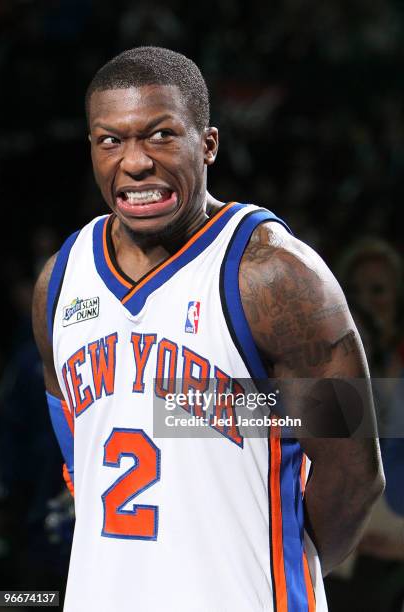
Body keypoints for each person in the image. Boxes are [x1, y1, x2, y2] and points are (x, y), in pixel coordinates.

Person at [32, 47, 384, 612]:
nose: (136, 162)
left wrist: (268, 569)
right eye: (111, 140)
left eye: (161, 135)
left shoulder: (274, 277)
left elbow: (354, 477)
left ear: (209, 143)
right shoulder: (60, 282)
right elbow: (81, 462)